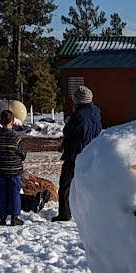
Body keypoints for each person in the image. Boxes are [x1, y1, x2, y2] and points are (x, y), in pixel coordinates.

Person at [57, 84, 102, 221]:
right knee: (87, 185)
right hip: (90, 153)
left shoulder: (79, 115)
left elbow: (68, 132)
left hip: (75, 154)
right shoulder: (96, 112)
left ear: (79, 100)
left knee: (66, 186)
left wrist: (69, 122)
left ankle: (64, 214)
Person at [0, 108, 26, 227]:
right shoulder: (16, 138)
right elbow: (23, 154)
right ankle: (14, 216)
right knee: (14, 193)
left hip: (1, 170)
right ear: (13, 121)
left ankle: (2, 216)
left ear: (0, 122)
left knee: (2, 193)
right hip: (14, 171)